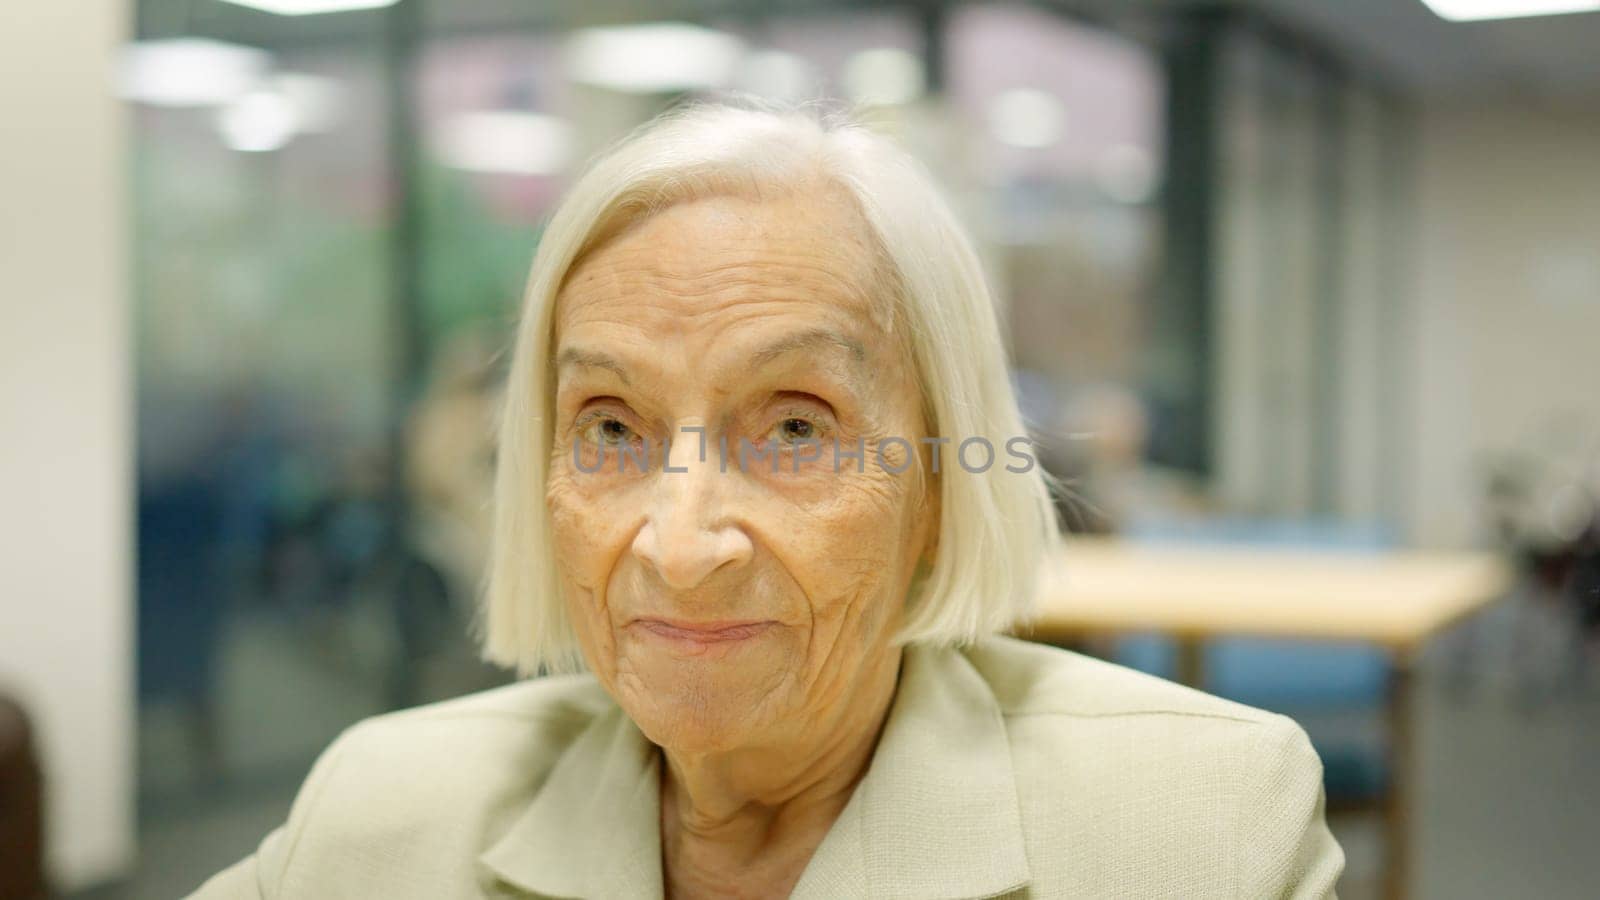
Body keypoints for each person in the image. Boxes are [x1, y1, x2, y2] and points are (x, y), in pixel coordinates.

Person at [190, 100, 1342, 899]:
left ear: (938, 485)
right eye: (608, 428)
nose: (679, 545)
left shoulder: (1200, 830)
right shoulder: (381, 815)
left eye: (795, 426)